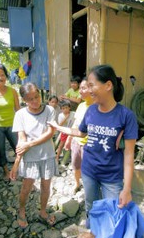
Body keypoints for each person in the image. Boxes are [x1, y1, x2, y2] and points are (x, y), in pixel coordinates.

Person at [49, 65, 138, 238]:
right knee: (91, 206)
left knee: (115, 215)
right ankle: (93, 233)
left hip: (112, 177)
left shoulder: (126, 116)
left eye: (91, 85)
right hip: (89, 171)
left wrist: (127, 188)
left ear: (108, 85)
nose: (88, 90)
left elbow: (129, 155)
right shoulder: (90, 111)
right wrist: (58, 127)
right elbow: (81, 132)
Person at [12, 82, 58, 229]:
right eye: (30, 99)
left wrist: (30, 144)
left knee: (46, 186)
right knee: (26, 187)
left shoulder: (50, 110)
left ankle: (43, 212)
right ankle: (21, 210)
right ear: (24, 100)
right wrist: (16, 164)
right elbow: (21, 141)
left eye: (37, 97)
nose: (35, 101)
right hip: (30, 158)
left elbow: (50, 133)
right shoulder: (20, 115)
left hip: (47, 155)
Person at [64, 78, 93, 194]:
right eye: (80, 88)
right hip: (76, 141)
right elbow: (75, 124)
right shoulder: (81, 106)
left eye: (83, 88)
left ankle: (89, 187)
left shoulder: (97, 106)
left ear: (91, 89)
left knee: (89, 169)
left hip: (89, 144)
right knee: (75, 166)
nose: (80, 91)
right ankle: (77, 183)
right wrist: (69, 139)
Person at [55, 99, 75, 163]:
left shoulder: (73, 113)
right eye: (63, 108)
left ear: (69, 107)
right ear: (61, 109)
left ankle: (70, 159)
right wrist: (66, 117)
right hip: (64, 132)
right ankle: (57, 157)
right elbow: (59, 125)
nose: (65, 110)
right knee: (61, 145)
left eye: (66, 108)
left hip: (72, 132)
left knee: (71, 146)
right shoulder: (61, 115)